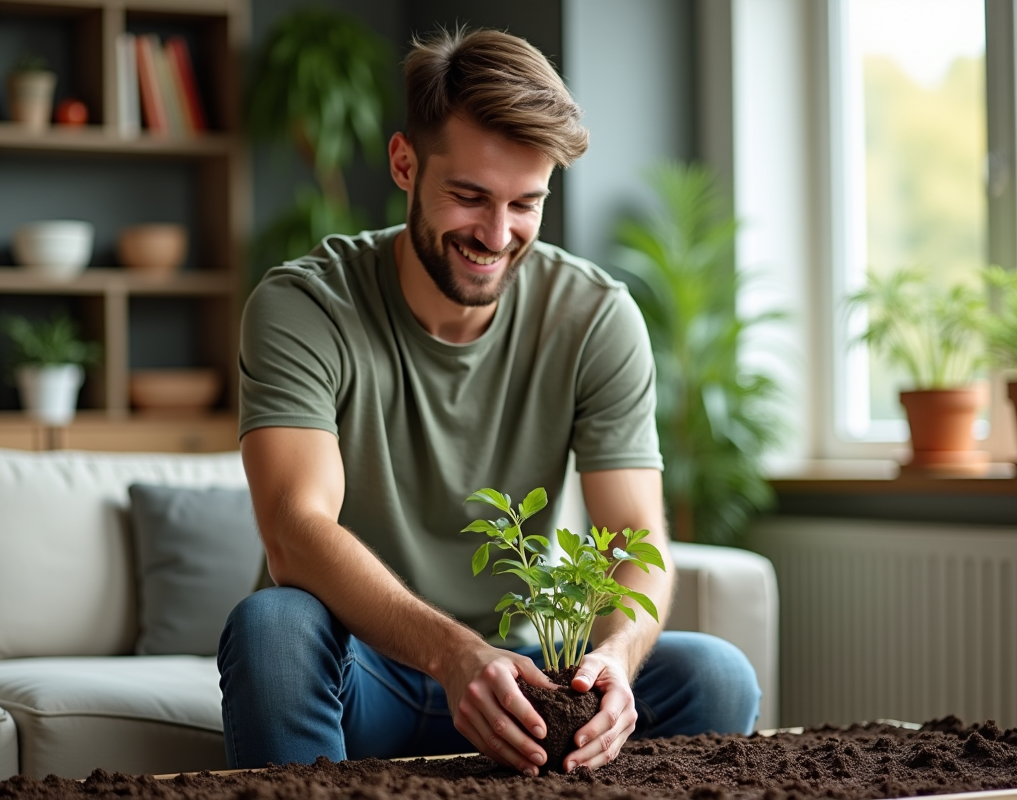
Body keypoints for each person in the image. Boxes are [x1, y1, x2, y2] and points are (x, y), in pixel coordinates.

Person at [217, 27, 761, 777]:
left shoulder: (595, 317)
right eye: (470, 197)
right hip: (360, 671)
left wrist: (615, 659)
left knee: (716, 674)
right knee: (273, 625)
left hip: (526, 682)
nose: (497, 235)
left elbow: (637, 533)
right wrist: (453, 655)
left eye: (525, 204)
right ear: (405, 165)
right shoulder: (306, 304)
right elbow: (294, 530)